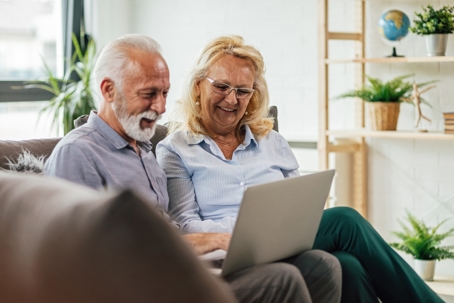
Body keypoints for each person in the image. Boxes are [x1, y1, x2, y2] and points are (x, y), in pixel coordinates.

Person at [44, 34, 342, 303]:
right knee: (283, 279)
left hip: (187, 269)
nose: (161, 107)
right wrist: (207, 240)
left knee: (323, 266)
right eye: (149, 94)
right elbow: (75, 258)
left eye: (164, 93)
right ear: (109, 90)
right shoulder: (79, 152)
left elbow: (166, 227)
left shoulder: (142, 149)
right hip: (146, 287)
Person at [156, 35, 444, 303]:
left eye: (243, 91)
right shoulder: (175, 150)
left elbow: (300, 206)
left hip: (284, 246)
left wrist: (280, 229)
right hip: (226, 258)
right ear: (197, 85)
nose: (232, 100)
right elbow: (185, 227)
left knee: (348, 264)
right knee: (345, 220)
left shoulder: (272, 142)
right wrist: (247, 232)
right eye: (221, 87)